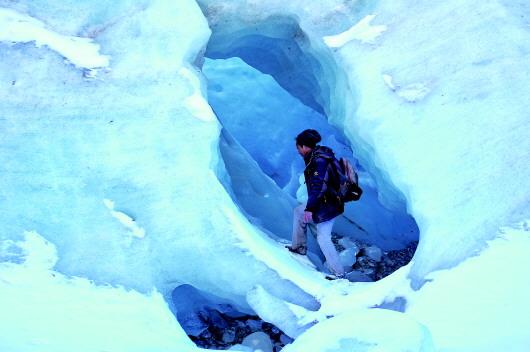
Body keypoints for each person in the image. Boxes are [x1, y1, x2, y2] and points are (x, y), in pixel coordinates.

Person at [286, 129, 345, 279]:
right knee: (299, 212)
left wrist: (310, 209)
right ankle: (299, 247)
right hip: (328, 200)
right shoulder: (319, 156)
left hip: (329, 203)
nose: (298, 151)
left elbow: (318, 186)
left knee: (323, 238)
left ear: (304, 146)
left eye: (298, 148)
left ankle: (339, 274)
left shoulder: (319, 161)